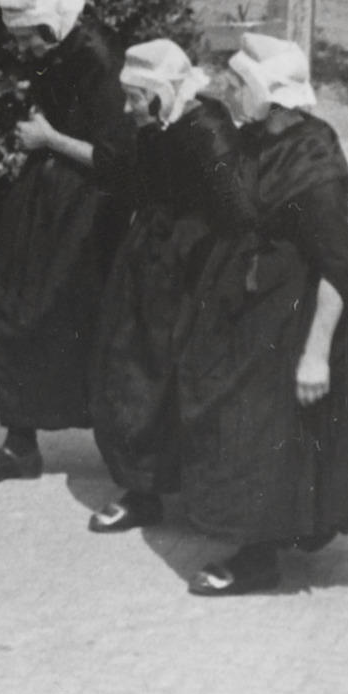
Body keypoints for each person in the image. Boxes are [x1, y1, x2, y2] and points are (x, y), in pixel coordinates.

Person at [171, 36, 348, 595]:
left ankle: (256, 557)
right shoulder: (264, 134)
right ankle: (281, 528)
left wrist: (316, 353)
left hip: (307, 309)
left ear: (268, 93)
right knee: (270, 425)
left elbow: (339, 266)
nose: (231, 90)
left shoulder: (313, 163)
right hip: (266, 300)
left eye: (240, 83)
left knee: (262, 426)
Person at [0, 0, 133, 486]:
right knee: (14, 300)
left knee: (86, 317)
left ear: (49, 26)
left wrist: (48, 138)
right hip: (50, 192)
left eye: (25, 38)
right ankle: (20, 445)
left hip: (93, 205)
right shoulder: (53, 49)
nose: (21, 49)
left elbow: (118, 162)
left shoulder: (100, 59)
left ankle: (124, 456)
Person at [84, 41, 250, 535]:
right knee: (133, 366)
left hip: (190, 267)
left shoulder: (208, 129)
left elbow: (236, 209)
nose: (127, 108)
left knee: (169, 373)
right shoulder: (158, 126)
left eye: (135, 98)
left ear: (161, 93)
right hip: (152, 258)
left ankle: (183, 492)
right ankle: (143, 489)